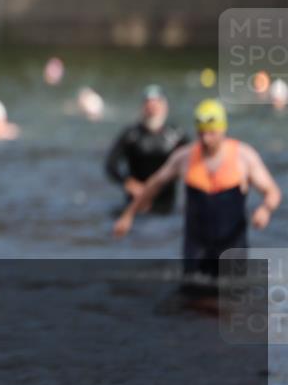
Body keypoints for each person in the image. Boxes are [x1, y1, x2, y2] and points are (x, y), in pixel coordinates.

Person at [113, 99, 281, 279]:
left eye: (211, 133)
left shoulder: (244, 156)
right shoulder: (184, 157)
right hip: (196, 247)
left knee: (231, 301)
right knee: (193, 301)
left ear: (223, 129)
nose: (206, 139)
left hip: (232, 247)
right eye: (201, 133)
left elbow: (273, 192)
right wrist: (128, 214)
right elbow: (154, 184)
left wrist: (265, 209)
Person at [104, 85, 188, 216]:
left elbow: (194, 161)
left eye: (156, 104)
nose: (152, 109)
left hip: (166, 204)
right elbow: (111, 165)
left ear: (164, 106)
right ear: (143, 107)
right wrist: (128, 183)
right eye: (148, 105)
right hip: (136, 203)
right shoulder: (131, 135)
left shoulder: (177, 135)